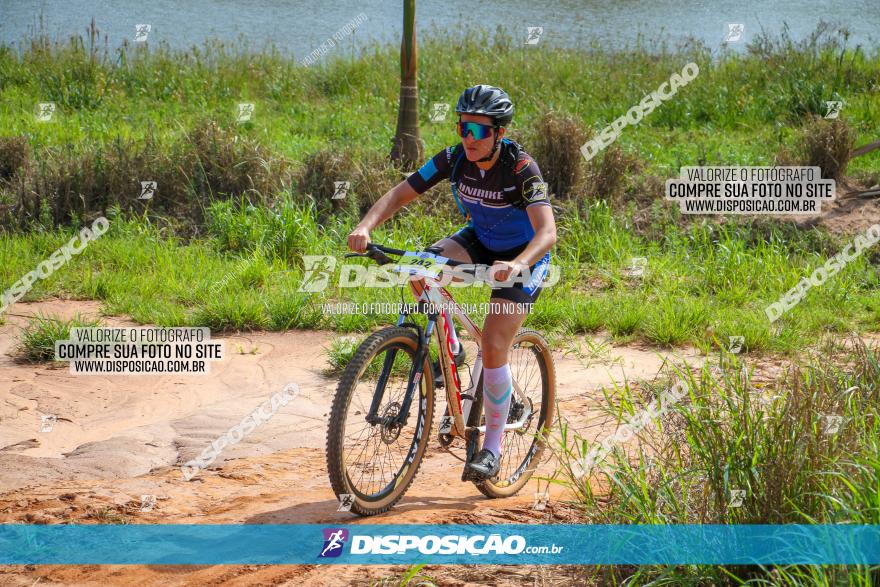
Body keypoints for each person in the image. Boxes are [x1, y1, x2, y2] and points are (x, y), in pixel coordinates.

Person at [347, 84, 557, 480]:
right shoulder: (453, 158)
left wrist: (515, 266)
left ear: (499, 132)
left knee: (495, 344)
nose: (468, 138)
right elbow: (400, 193)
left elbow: (547, 232)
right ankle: (452, 349)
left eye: (478, 131)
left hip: (525, 253)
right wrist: (365, 226)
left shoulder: (521, 168)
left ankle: (491, 450)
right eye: (463, 128)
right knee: (419, 268)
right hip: (480, 240)